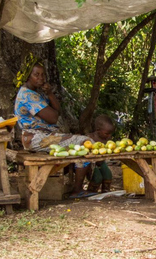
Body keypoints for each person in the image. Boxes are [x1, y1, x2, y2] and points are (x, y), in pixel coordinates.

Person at [14, 62, 95, 198]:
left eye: (42, 74)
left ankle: (80, 187)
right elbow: (53, 118)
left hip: (42, 136)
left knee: (82, 142)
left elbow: (57, 110)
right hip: (36, 139)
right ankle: (77, 190)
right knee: (85, 142)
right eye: (36, 75)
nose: (41, 78)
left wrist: (50, 93)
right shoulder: (28, 95)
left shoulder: (36, 92)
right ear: (28, 76)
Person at [86, 114, 116, 193]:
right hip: (90, 163)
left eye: (110, 134)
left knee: (108, 175)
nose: (109, 136)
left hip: (101, 162)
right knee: (97, 178)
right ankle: (91, 192)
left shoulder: (107, 139)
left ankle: (106, 192)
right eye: (107, 133)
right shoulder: (89, 138)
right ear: (98, 130)